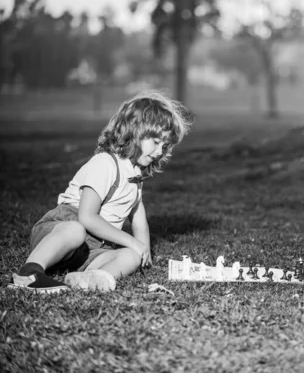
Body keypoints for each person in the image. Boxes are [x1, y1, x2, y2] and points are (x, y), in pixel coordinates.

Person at [8, 91, 192, 293]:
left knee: (130, 256)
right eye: (156, 142)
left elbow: (139, 221)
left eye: (165, 146)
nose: (159, 152)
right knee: (75, 230)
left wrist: (142, 251)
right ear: (135, 132)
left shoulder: (135, 176)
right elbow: (86, 217)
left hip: (92, 250)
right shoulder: (106, 163)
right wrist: (132, 241)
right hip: (61, 231)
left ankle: (87, 279)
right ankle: (29, 273)